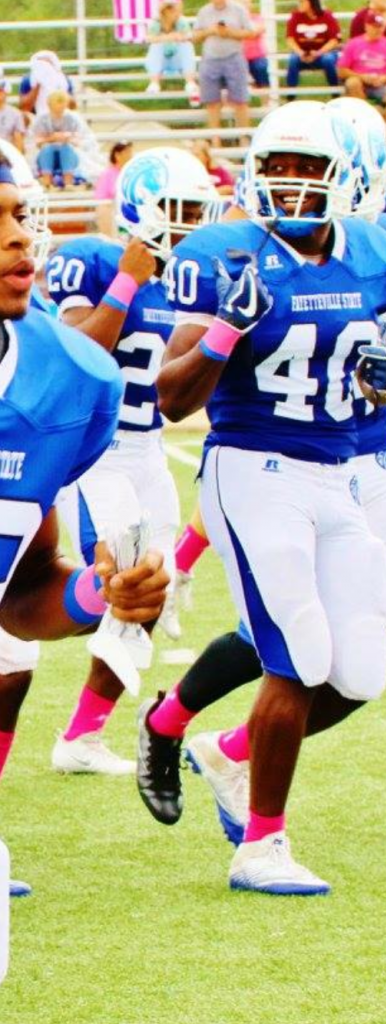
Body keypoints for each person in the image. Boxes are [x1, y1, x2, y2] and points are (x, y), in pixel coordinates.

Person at [138, 96, 386, 848]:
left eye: (306, 166)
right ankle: (260, 836)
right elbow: (173, 397)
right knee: (295, 647)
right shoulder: (224, 253)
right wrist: (226, 329)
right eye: (276, 166)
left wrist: (383, 383)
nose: (290, 182)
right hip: (259, 464)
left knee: (363, 666)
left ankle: (223, 749)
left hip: (353, 463)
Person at [0, 148, 169, 894]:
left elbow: (22, 587)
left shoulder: (67, 378)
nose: (17, 237)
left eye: (17, 216)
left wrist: (102, 593)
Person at [45, 147, 220, 775]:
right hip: (96, 450)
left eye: (197, 212)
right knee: (121, 586)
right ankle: (18, 628)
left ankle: (82, 737)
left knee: (149, 593)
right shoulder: (93, 259)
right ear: (142, 207)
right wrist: (126, 280)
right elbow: (74, 357)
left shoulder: (191, 280)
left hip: (149, 449)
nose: (190, 224)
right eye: (178, 210)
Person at [191, 0, 253, 147]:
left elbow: (250, 32)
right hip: (210, 59)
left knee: (240, 101)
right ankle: (215, 141)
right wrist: (210, 31)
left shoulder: (238, 9)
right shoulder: (204, 11)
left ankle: (244, 140)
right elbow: (195, 36)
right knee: (212, 102)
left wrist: (229, 32)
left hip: (234, 57)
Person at [337, 11, 386, 122]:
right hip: (360, 83)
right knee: (352, 83)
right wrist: (362, 77)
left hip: (382, 83)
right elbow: (341, 71)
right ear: (366, 26)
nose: (378, 30)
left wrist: (385, 78)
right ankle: (366, 120)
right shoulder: (353, 44)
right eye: (374, 27)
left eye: (380, 27)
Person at [144, 0, 200, 104]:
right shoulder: (156, 22)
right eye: (170, 9)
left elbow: (189, 35)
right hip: (161, 60)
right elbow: (149, 38)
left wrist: (180, 37)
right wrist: (165, 38)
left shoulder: (181, 21)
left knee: (186, 45)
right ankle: (154, 82)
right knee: (156, 46)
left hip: (177, 59)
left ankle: (190, 82)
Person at [285, 0, 341, 100]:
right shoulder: (296, 16)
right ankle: (291, 94)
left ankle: (335, 91)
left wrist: (319, 53)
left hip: (323, 53)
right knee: (293, 60)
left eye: (302, 2)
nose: (300, 4)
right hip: (303, 53)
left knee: (328, 60)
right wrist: (300, 52)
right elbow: (290, 38)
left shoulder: (327, 16)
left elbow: (334, 40)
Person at [33, 90, 82, 190]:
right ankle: (47, 182)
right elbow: (37, 142)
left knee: (66, 148)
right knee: (47, 149)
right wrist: (52, 138)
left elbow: (77, 141)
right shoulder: (42, 119)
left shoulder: (72, 119)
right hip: (46, 152)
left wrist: (66, 137)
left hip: (68, 152)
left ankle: (68, 182)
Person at [18, 51, 75, 123]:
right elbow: (24, 108)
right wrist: (38, 85)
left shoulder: (64, 80)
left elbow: (72, 106)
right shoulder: (28, 80)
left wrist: (59, 89)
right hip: (35, 118)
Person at [94, 141, 133, 237]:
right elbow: (115, 192)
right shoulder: (110, 173)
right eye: (127, 152)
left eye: (130, 152)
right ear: (117, 155)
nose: (130, 155)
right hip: (108, 208)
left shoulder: (128, 172)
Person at [241, 0, 270, 94]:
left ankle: (266, 100)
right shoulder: (233, 21)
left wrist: (242, 33)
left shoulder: (257, 18)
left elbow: (259, 30)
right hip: (239, 57)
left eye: (246, 2)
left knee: (261, 67)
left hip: (257, 56)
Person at [0, 80, 25, 153]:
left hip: (7, 153)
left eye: (1, 91)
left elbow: (18, 138)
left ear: (6, 92)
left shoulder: (15, 113)